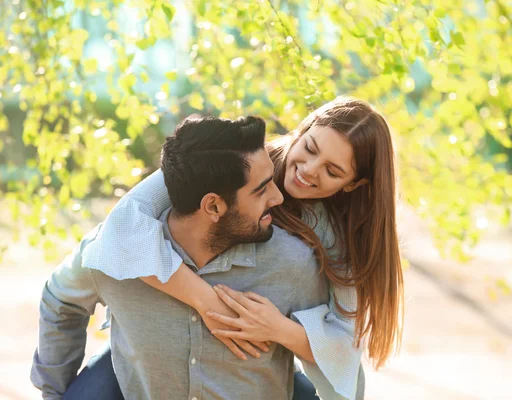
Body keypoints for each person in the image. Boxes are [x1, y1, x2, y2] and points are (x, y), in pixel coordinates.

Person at [80, 97, 404, 399]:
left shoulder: (337, 239)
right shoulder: (235, 162)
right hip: (149, 343)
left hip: (254, 362)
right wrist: (207, 301)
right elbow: (120, 227)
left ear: (353, 184)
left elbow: (344, 349)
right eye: (310, 147)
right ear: (303, 129)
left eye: (332, 171)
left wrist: (279, 329)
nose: (309, 169)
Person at [31, 116, 337, 399]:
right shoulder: (112, 257)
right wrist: (55, 392)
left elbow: (338, 359)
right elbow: (61, 301)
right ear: (214, 207)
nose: (278, 197)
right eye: (261, 191)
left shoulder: (292, 265)